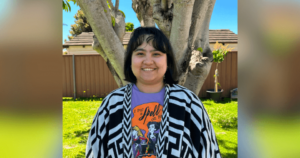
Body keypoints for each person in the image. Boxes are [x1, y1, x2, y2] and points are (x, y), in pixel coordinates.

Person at [85, 27, 221, 158]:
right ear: (130, 60)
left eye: (156, 54)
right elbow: (94, 150)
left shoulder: (188, 103)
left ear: (167, 61)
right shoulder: (112, 104)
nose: (148, 61)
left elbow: (208, 151)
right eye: (140, 53)